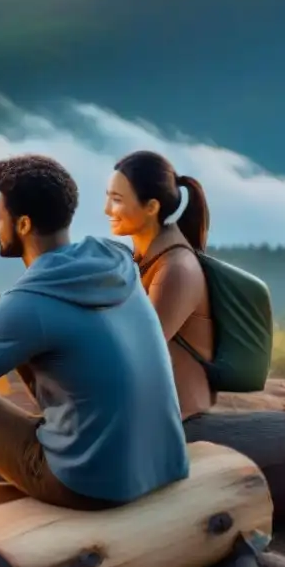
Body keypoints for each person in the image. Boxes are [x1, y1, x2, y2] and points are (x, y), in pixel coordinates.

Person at [0, 154, 189, 509]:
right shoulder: (113, 257)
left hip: (90, 483)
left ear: (23, 225)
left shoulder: (26, 306)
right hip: (163, 462)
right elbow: (58, 324)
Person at [105, 150, 214, 420]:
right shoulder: (141, 260)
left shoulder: (176, 269)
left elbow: (137, 348)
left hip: (176, 419)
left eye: (116, 200)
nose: (107, 210)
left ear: (151, 207)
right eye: (108, 197)